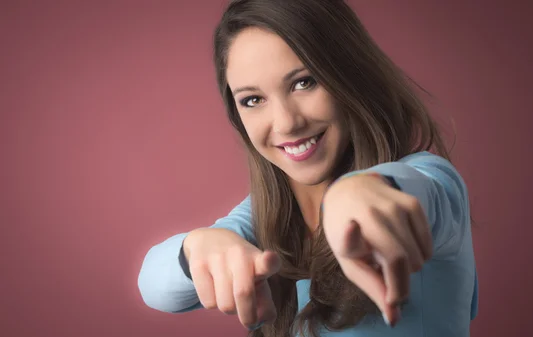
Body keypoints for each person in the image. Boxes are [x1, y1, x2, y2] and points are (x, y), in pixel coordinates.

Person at [137, 0, 478, 336]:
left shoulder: (430, 177)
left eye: (304, 82)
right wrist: (197, 248)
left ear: (348, 74)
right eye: (253, 100)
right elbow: (154, 286)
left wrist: (363, 191)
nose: (286, 123)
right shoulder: (264, 215)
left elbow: (419, 192)